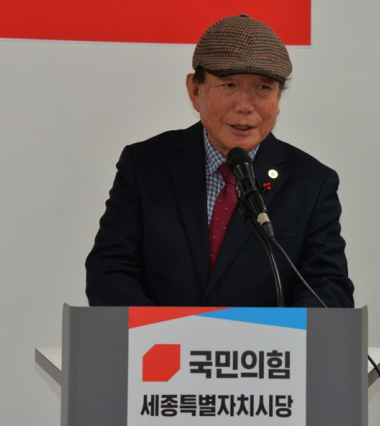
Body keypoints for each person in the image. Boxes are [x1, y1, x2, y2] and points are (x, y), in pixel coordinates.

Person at [85, 14, 354, 308]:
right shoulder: (145, 165)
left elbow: (328, 289)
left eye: (263, 88)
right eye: (229, 85)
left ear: (278, 99)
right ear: (195, 90)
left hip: (263, 339)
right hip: (159, 337)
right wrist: (159, 331)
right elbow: (110, 271)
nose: (244, 106)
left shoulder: (311, 182)